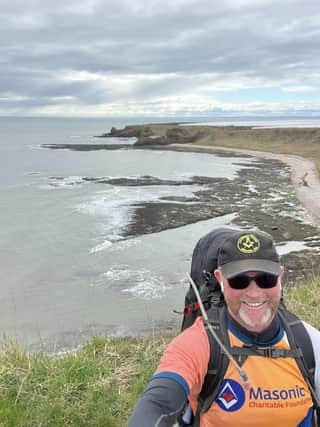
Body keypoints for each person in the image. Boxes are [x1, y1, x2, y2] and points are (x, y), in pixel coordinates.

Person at [127, 229, 320, 427]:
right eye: (239, 281)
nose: (254, 293)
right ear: (220, 280)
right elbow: (158, 402)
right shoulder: (199, 342)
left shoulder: (309, 343)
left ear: (280, 277)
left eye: (265, 279)